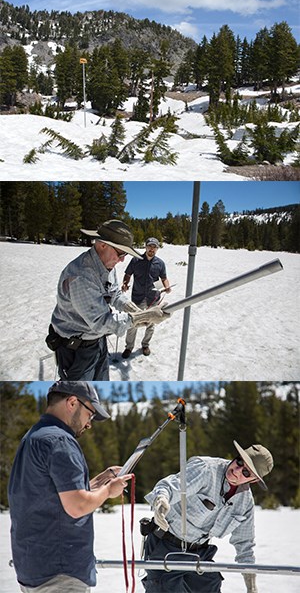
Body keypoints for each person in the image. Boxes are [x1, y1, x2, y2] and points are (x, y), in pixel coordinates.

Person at [8, 380, 133, 593]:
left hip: (34, 567)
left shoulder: (35, 436)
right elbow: (77, 506)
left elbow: (55, 495)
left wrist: (101, 479)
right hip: (60, 573)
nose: (89, 423)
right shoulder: (60, 441)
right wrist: (109, 491)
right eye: (90, 414)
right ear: (72, 403)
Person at [142, 440, 274, 593]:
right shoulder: (206, 469)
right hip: (165, 546)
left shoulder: (245, 503)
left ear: (255, 480)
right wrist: (161, 501)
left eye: (246, 472)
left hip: (199, 553)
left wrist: (250, 582)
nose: (237, 470)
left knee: (211, 586)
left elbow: (245, 544)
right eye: (239, 462)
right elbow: (169, 487)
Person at [46, 221, 169, 380]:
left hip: (97, 341)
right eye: (120, 253)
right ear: (103, 245)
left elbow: (114, 293)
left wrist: (132, 308)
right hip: (75, 350)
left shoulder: (107, 264)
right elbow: (101, 322)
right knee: (80, 397)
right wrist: (143, 317)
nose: (122, 260)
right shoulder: (81, 275)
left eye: (125, 255)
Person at [121, 237, 171, 358]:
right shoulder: (136, 260)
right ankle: (129, 347)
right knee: (133, 322)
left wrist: (167, 287)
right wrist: (125, 283)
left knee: (151, 323)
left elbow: (164, 278)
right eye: (150, 246)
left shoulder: (160, 263)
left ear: (157, 249)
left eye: (154, 247)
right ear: (146, 246)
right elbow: (128, 274)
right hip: (137, 297)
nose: (152, 249)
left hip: (152, 298)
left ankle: (145, 344)